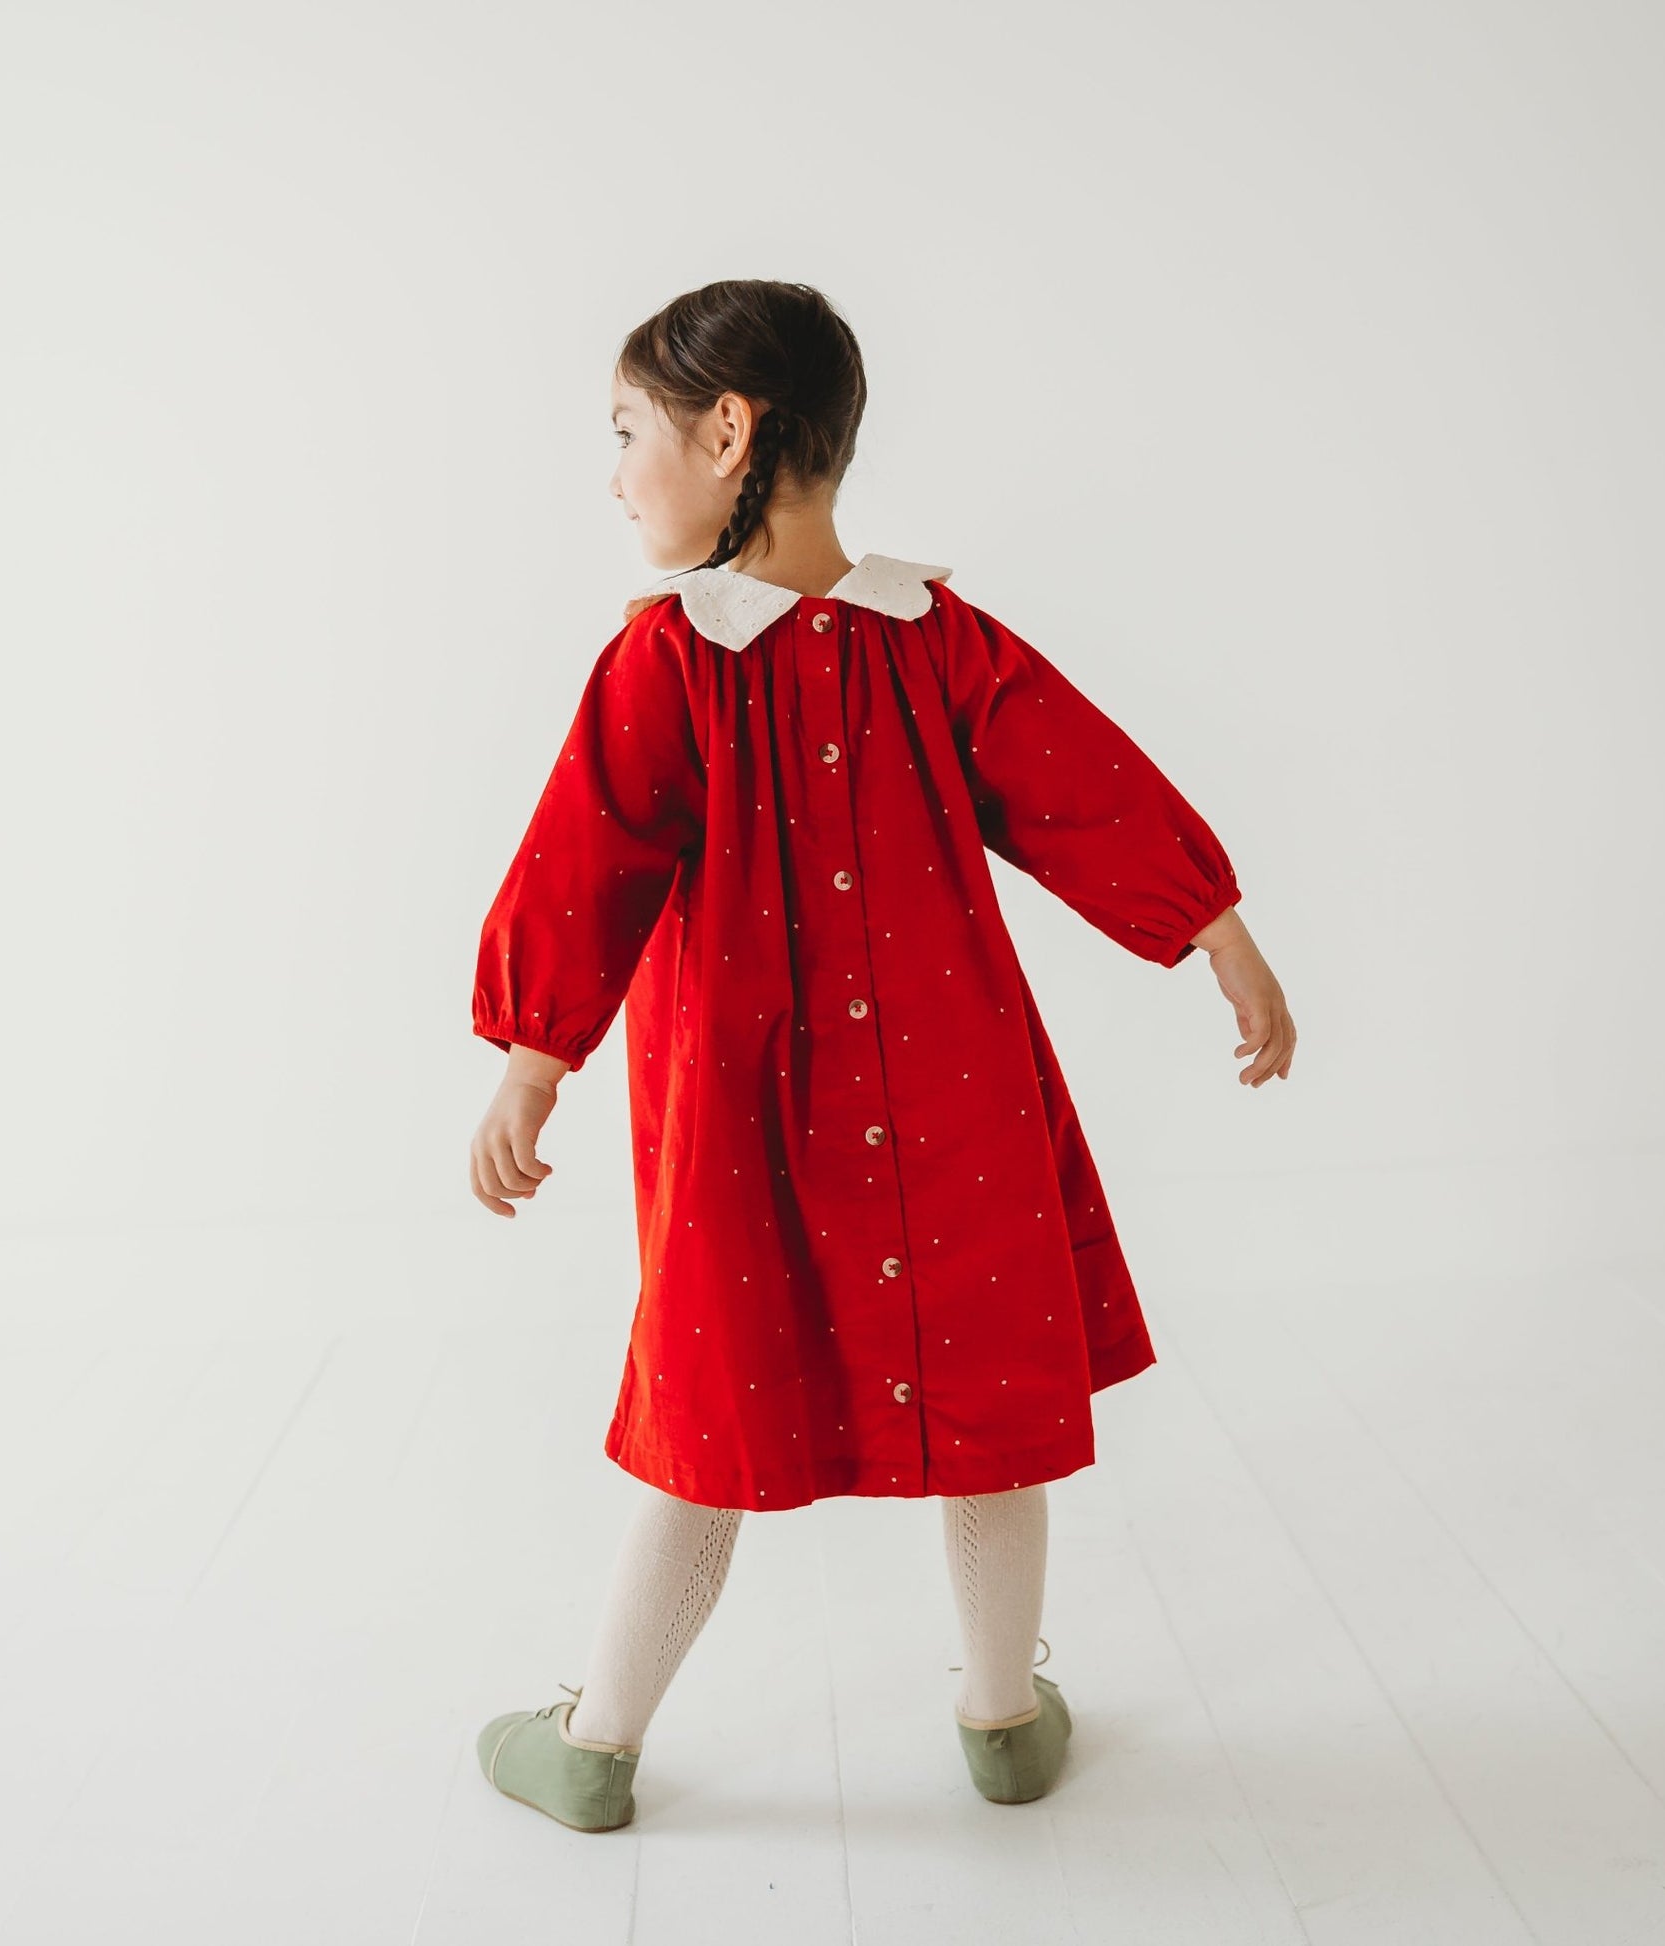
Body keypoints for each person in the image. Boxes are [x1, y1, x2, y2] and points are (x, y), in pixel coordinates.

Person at [467, 279, 1297, 1832]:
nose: (611, 471)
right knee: (983, 1410)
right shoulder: (934, 641)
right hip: (952, 1104)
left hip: (742, 1123)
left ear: (727, 433)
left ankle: (596, 1740)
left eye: (625, 431)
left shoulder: (675, 660)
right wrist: (1216, 933)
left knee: (706, 1420)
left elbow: (586, 861)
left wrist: (531, 1065)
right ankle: (1000, 1720)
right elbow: (1083, 785)